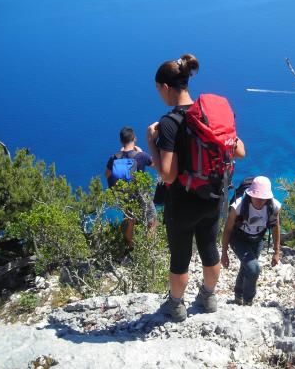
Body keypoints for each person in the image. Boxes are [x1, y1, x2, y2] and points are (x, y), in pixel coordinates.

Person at [147, 54, 245, 322]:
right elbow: (240, 151)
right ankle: (208, 297)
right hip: (213, 196)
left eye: (158, 90)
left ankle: (176, 306)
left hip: (183, 201)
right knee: (209, 248)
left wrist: (151, 143)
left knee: (180, 256)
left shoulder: (168, 123)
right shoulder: (207, 115)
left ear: (166, 88)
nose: (159, 95)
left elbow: (168, 175)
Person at [221, 176, 281, 306]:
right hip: (238, 239)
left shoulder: (274, 206)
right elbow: (227, 230)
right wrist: (224, 253)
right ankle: (248, 300)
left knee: (246, 267)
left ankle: (238, 295)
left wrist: (277, 251)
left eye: (263, 198)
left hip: (257, 239)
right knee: (253, 269)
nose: (260, 201)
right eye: (257, 197)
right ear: (250, 194)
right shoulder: (238, 206)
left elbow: (276, 227)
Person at [106, 127, 156, 250]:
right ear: (134, 139)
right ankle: (148, 249)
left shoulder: (114, 157)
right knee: (152, 220)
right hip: (141, 194)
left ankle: (130, 246)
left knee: (130, 220)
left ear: (121, 141)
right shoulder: (141, 156)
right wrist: (142, 152)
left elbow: (107, 174)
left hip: (124, 194)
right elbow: (156, 165)